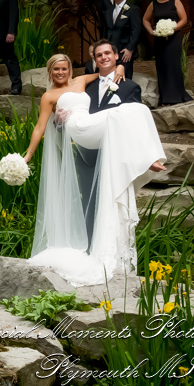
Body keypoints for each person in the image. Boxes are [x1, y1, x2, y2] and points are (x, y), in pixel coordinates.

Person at [21, 54, 165, 286]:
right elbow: (40, 127)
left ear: (70, 69)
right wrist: (28, 154)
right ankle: (147, 159)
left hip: (93, 128)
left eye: (64, 68)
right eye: (56, 69)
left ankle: (149, 159)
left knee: (139, 110)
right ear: (50, 72)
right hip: (79, 128)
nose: (60, 73)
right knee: (124, 113)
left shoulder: (80, 81)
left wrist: (120, 66)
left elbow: (102, 72)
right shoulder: (49, 96)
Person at [77, 40, 140, 248]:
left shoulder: (130, 87)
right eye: (99, 55)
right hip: (88, 156)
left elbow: (135, 123)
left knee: (113, 205)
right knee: (89, 204)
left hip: (115, 156)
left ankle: (114, 249)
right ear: (94, 60)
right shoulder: (86, 88)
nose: (103, 57)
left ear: (116, 56)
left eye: (107, 54)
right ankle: (89, 248)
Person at [143, 0, 192, 105]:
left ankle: (176, 96)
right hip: (159, 40)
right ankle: (165, 97)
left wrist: (173, 29)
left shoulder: (175, 1)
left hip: (173, 38)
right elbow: (145, 19)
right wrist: (151, 31)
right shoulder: (153, 4)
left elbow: (184, 19)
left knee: (173, 65)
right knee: (162, 66)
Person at [105, 0, 141, 79]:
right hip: (110, 50)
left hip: (125, 51)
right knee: (111, 78)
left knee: (125, 79)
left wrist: (130, 48)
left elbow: (136, 30)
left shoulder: (133, 9)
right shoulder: (109, 10)